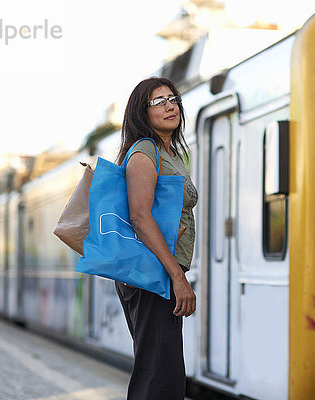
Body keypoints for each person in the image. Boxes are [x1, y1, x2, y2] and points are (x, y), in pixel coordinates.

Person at [114, 77, 198, 400]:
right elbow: (139, 215)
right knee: (159, 379)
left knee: (164, 374)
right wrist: (177, 277)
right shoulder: (145, 151)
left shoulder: (170, 152)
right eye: (158, 101)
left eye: (172, 98)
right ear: (142, 112)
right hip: (153, 274)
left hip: (160, 271)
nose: (169, 105)